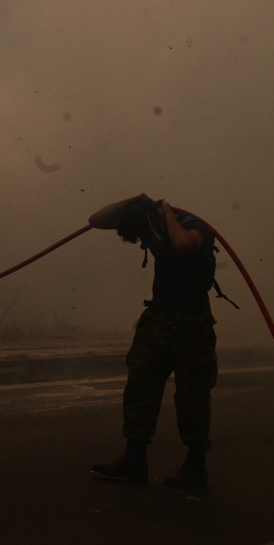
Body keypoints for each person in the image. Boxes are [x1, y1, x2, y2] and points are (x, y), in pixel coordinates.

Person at [88, 193, 220, 489]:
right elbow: (96, 220)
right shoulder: (149, 223)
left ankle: (195, 467)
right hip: (158, 319)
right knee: (140, 387)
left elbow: (185, 246)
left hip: (192, 324)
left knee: (192, 396)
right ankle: (134, 460)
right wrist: (131, 201)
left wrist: (168, 214)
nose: (146, 240)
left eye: (145, 233)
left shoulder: (193, 227)